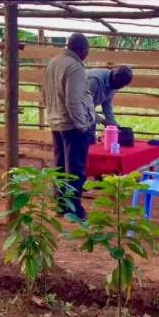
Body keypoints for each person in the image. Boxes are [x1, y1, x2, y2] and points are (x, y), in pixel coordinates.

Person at [43, 33, 95, 219]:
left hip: (56, 122)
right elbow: (73, 100)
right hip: (72, 124)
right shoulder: (75, 67)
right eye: (87, 49)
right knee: (75, 169)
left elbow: (44, 93)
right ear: (82, 49)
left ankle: (60, 205)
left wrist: (52, 113)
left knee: (60, 165)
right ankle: (74, 209)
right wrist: (82, 125)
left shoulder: (53, 62)